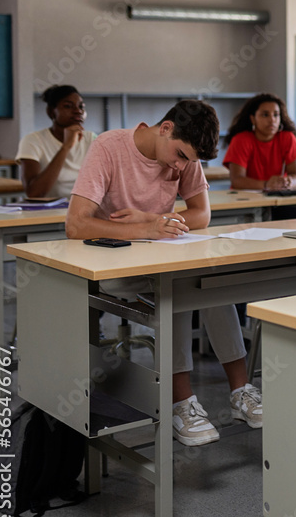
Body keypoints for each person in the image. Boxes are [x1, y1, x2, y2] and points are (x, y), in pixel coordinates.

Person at [66, 100, 261, 446]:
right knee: (179, 288)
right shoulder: (109, 148)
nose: (181, 165)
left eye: (189, 161)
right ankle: (181, 403)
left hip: (163, 258)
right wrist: (148, 228)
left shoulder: (185, 153)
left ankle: (240, 392)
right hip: (115, 266)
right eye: (181, 156)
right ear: (166, 128)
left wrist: (146, 221)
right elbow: (76, 223)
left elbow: (202, 214)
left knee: (209, 280)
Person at [224, 93, 296, 219]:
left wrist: (289, 182)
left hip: (278, 199)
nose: (272, 120)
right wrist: (267, 185)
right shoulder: (241, 140)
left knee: (295, 215)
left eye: (276, 115)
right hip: (245, 200)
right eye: (265, 114)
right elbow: (237, 180)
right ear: (253, 119)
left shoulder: (288, 138)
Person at [17, 85, 97, 199]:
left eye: (81, 107)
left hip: (85, 209)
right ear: (51, 112)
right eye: (68, 106)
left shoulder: (91, 139)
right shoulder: (32, 140)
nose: (78, 111)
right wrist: (66, 147)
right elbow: (34, 192)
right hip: (49, 212)